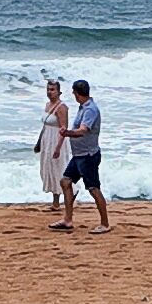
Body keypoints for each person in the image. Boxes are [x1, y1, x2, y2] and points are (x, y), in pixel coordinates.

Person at [55, 78, 109, 233]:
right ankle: (68, 219)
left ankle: (105, 224)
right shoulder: (83, 107)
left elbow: (83, 130)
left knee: (93, 188)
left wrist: (68, 133)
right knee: (65, 181)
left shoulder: (90, 109)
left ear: (77, 93)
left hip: (88, 156)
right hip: (79, 155)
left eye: (73, 92)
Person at [33, 78, 71, 223]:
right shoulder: (47, 105)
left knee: (59, 168)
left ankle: (70, 194)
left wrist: (58, 147)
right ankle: (55, 202)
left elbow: (64, 129)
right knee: (48, 169)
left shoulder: (62, 107)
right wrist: (39, 142)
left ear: (59, 91)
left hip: (56, 140)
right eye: (48, 89)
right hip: (46, 139)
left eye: (52, 89)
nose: (50, 92)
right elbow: (45, 125)